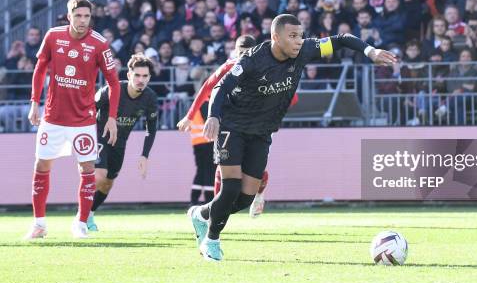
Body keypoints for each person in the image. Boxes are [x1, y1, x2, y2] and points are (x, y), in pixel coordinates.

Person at [187, 14, 396, 261]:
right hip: (233, 126)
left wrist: (370, 51)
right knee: (230, 187)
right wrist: (213, 116)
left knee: (244, 197)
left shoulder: (305, 50)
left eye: (301, 35)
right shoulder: (252, 59)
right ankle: (211, 241)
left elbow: (341, 39)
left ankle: (200, 215)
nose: (299, 41)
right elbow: (220, 87)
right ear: (276, 37)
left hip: (262, 132)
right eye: (293, 36)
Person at [25, 0, 120, 240]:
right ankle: (39, 224)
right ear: (69, 16)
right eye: (78, 16)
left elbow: (113, 83)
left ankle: (80, 223)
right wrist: (34, 103)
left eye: (87, 17)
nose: (82, 21)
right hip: (53, 118)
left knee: (87, 169)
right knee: (41, 166)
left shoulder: (99, 44)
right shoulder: (53, 36)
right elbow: (39, 70)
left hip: (84, 121)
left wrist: (111, 117)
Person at [177, 35, 297, 216]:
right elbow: (207, 87)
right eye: (241, 53)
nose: (243, 57)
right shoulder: (229, 67)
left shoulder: (265, 67)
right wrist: (189, 116)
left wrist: (273, 112)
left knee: (253, 170)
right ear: (235, 52)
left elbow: (292, 97)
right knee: (222, 169)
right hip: (231, 125)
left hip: (258, 126)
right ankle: (214, 213)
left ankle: (257, 194)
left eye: (247, 53)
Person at [87, 53, 159, 231]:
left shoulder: (150, 98)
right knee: (99, 176)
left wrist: (144, 155)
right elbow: (89, 108)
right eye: (137, 75)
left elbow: (151, 129)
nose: (141, 80)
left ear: (149, 77)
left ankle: (89, 214)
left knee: (107, 183)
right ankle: (82, 216)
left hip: (119, 144)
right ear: (129, 75)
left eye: (145, 76)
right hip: (99, 138)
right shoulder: (111, 90)